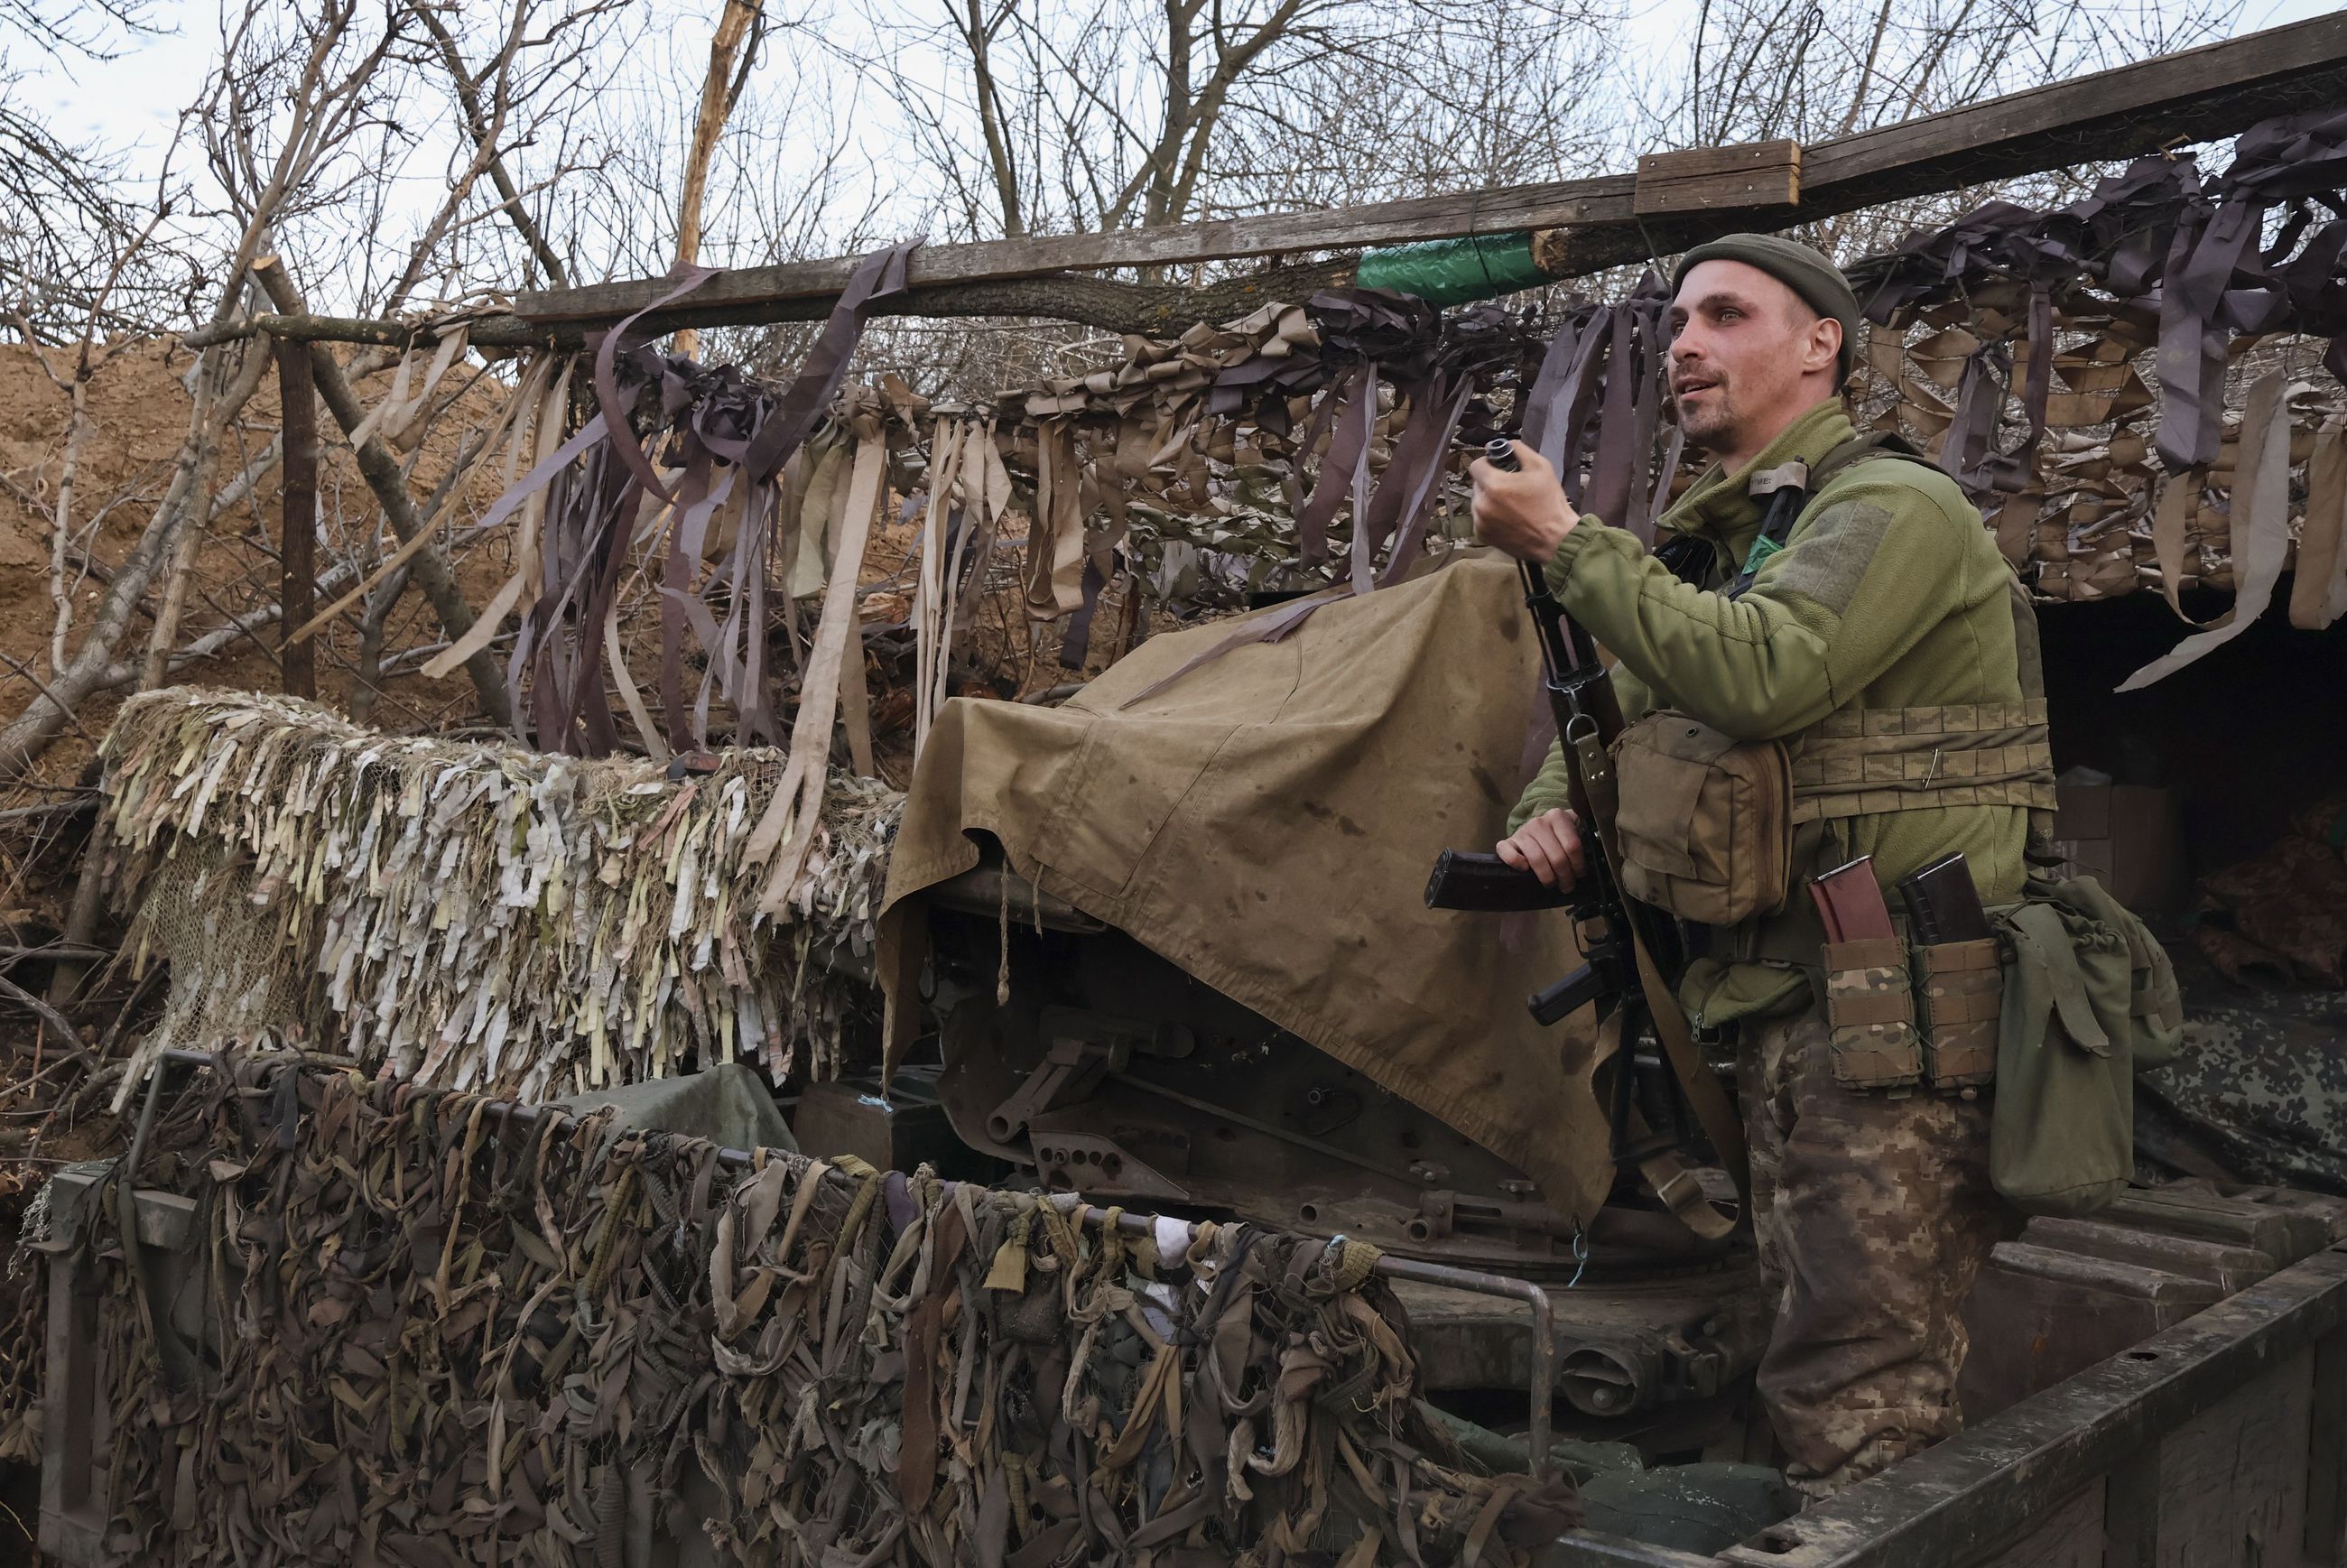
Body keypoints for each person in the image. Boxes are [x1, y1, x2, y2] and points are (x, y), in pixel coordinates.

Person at [1469, 233, 2047, 1498]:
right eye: (1677, 322)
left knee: (1863, 1400)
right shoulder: (1733, 537)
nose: (1684, 345)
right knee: (1807, 1366)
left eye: (1725, 316)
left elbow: (1762, 671)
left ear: (1820, 345)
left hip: (1888, 1032)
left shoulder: (1892, 511)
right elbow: (1632, 704)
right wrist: (1554, 806)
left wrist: (1568, 539)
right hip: (1781, 1019)